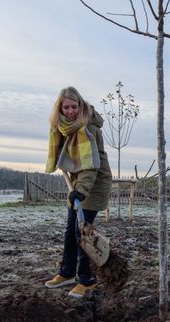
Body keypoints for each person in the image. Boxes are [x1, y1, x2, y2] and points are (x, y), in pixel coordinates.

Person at [43, 86, 112, 298]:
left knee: (81, 232)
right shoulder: (64, 128)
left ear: (80, 105)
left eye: (74, 106)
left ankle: (86, 279)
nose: (71, 111)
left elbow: (90, 166)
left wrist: (80, 191)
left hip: (93, 183)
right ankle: (66, 273)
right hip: (78, 184)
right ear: (60, 109)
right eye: (66, 107)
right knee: (69, 231)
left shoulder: (87, 130)